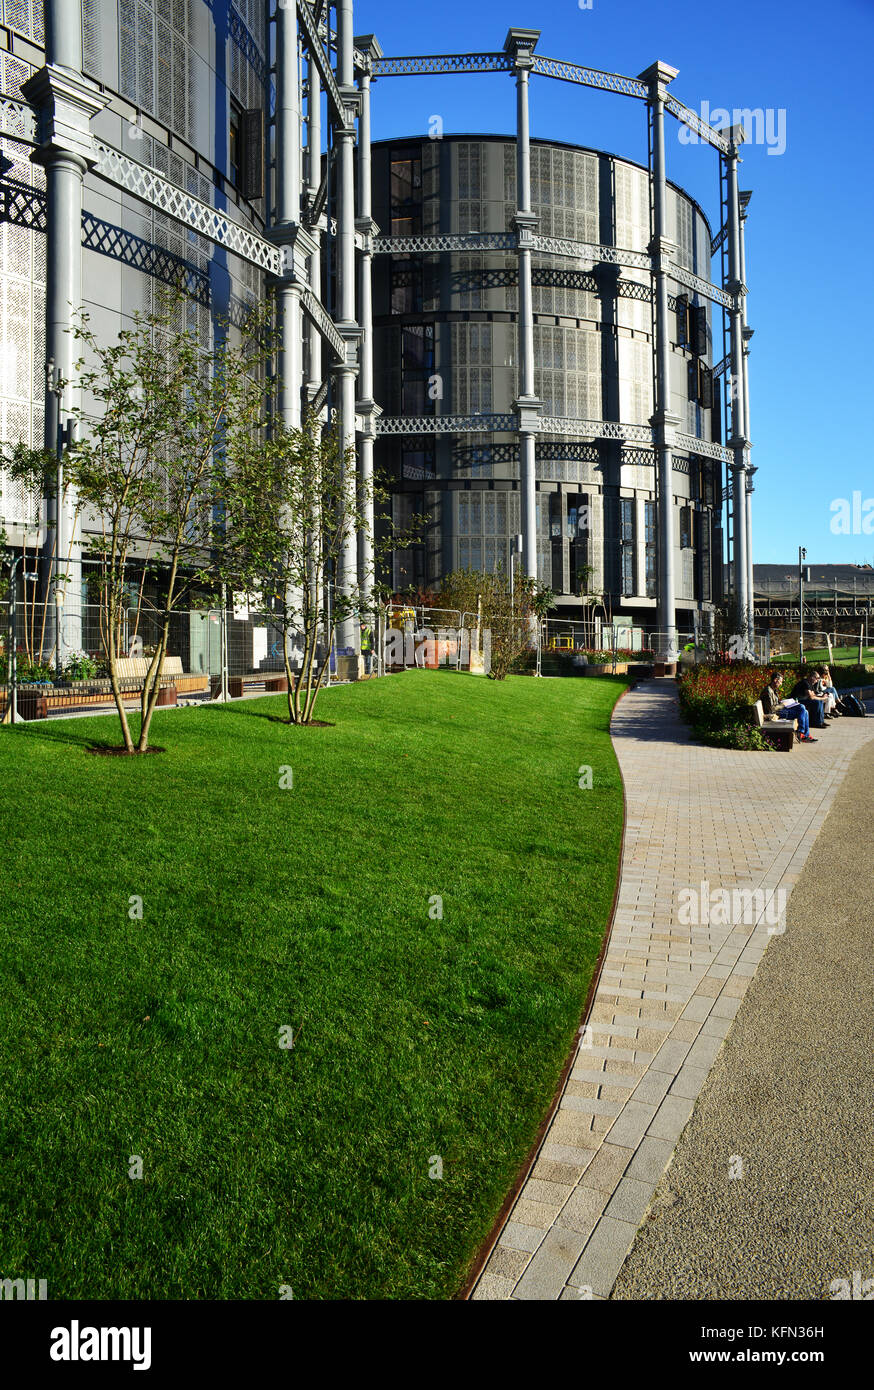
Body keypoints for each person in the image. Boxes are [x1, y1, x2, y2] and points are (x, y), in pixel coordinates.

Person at [760, 671, 815, 742]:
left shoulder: (773, 690)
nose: (781, 684)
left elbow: (776, 704)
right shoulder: (768, 691)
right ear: (775, 680)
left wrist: (786, 702)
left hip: (779, 711)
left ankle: (803, 734)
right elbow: (771, 709)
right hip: (775, 714)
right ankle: (801, 733)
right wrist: (784, 704)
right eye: (780, 681)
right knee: (802, 710)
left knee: (803, 709)